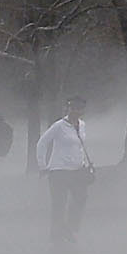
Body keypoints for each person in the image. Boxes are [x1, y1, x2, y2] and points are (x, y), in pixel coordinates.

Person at [35, 99, 97, 243]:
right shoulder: (59, 126)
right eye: (73, 108)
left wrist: (84, 162)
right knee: (59, 204)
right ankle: (56, 234)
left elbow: (79, 146)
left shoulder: (82, 125)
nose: (76, 112)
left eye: (80, 109)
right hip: (59, 171)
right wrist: (42, 165)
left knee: (81, 198)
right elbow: (42, 143)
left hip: (77, 170)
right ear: (68, 109)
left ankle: (68, 228)